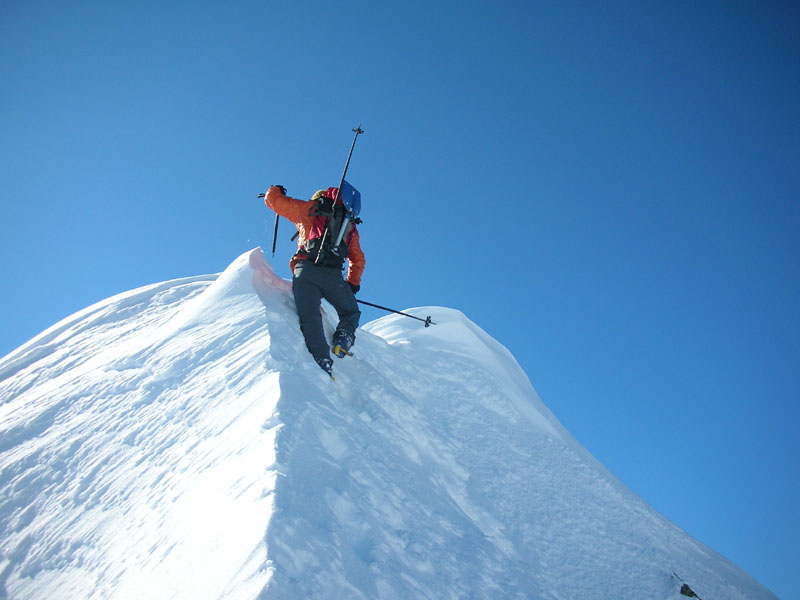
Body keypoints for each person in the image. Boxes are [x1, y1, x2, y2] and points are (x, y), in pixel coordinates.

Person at [263, 185, 365, 377]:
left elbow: (274, 202)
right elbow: (358, 259)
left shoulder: (308, 209)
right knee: (351, 311)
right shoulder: (348, 225)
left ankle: (322, 360)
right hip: (332, 276)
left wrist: (275, 190)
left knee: (310, 316)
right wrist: (352, 283)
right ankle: (343, 338)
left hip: (305, 272)